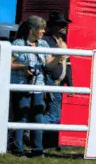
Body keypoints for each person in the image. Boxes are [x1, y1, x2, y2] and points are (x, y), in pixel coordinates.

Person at [9, 16, 62, 156]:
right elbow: (8, 63)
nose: (43, 31)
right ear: (32, 29)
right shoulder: (18, 43)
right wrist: (23, 67)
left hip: (38, 86)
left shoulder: (43, 44)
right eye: (41, 29)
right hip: (21, 85)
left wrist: (59, 57)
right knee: (21, 116)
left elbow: (49, 64)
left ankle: (37, 150)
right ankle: (18, 150)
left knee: (37, 117)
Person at [38, 13, 72, 152]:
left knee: (53, 113)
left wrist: (70, 84)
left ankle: (49, 143)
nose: (64, 27)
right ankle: (28, 126)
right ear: (52, 26)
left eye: (65, 25)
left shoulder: (62, 42)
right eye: (61, 24)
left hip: (58, 83)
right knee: (54, 115)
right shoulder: (46, 41)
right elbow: (47, 65)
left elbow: (68, 64)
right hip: (49, 81)